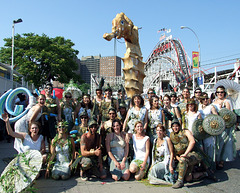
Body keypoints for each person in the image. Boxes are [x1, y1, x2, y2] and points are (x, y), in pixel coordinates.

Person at [170, 119, 205, 189]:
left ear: (179, 126)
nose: (175, 128)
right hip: (182, 158)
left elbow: (192, 141)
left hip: (193, 154)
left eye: (176, 126)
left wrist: (185, 154)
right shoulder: (172, 135)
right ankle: (201, 173)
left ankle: (180, 182)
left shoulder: (185, 132)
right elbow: (173, 151)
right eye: (173, 126)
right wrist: (177, 158)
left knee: (183, 160)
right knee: (188, 178)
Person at [212, 85, 235, 169]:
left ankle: (221, 160)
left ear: (224, 93)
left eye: (221, 92)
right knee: (216, 143)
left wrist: (222, 109)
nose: (220, 94)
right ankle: (216, 159)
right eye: (218, 92)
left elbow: (228, 115)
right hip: (215, 125)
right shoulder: (214, 101)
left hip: (224, 126)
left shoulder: (227, 101)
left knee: (222, 142)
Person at [198, 92, 218, 169]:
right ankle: (204, 166)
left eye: (206, 98)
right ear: (201, 100)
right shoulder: (199, 106)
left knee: (209, 148)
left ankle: (211, 167)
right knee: (202, 149)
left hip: (209, 130)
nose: (205, 100)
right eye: (203, 99)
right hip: (201, 130)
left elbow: (217, 118)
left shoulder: (211, 107)